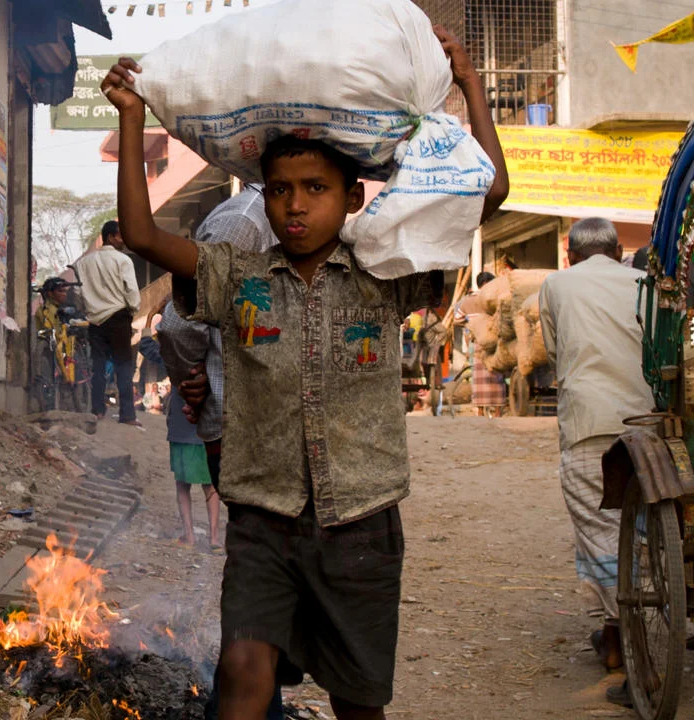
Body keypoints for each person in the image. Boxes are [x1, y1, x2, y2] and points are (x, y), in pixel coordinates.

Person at [100, 23, 508, 720]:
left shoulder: (386, 275)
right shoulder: (237, 276)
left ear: (353, 197)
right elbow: (141, 236)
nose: (294, 205)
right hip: (265, 523)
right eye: (280, 190)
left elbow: (486, 194)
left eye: (315, 188)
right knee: (242, 673)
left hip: (362, 525)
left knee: (359, 703)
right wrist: (134, 119)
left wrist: (469, 86)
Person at [157, 182, 285, 720]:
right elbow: (180, 323)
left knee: (271, 573)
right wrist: (197, 378)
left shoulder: (272, 219)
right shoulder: (247, 221)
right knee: (263, 573)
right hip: (240, 427)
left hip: (263, 426)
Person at [538, 217, 654, 674]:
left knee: (598, 527)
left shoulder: (557, 285)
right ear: (619, 251)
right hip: (648, 421)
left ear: (570, 255)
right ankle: (615, 631)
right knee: (640, 526)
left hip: (588, 420)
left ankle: (625, 638)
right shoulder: (644, 282)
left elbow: (554, 351)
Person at [74, 220, 142, 425]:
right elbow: (131, 290)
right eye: (120, 236)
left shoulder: (82, 263)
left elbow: (78, 292)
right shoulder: (122, 260)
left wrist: (88, 309)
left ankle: (97, 410)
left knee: (98, 365)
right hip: (119, 317)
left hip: (95, 319)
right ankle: (127, 415)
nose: (123, 240)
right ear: (111, 236)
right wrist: (133, 309)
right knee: (123, 365)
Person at [167, 385, 221, 550]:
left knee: (182, 484)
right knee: (211, 485)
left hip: (181, 425)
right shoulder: (211, 361)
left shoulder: (176, 360)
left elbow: (157, 357)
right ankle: (214, 538)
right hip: (207, 426)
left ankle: (189, 537)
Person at [455, 271, 507, 417]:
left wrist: (471, 325)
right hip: (495, 343)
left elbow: (457, 319)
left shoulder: (468, 301)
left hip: (477, 343)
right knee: (496, 376)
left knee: (479, 380)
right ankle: (497, 411)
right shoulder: (497, 299)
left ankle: (480, 411)